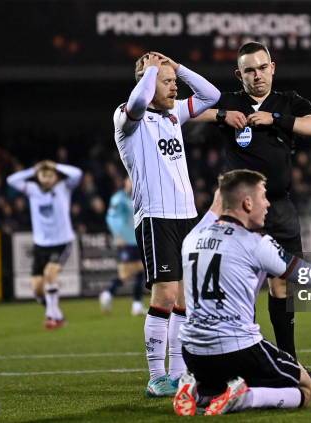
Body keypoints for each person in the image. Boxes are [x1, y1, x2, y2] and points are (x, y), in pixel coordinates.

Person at [174, 170, 311, 415]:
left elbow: (216, 208)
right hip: (238, 349)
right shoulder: (255, 243)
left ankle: (198, 391)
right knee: (306, 389)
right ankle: (244, 398)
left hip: (193, 354)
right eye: (263, 197)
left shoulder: (193, 237)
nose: (268, 204)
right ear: (247, 203)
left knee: (223, 379)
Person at [192, 41, 311, 381]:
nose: (257, 75)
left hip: (278, 207)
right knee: (241, 286)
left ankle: (290, 364)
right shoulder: (230, 102)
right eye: (249, 70)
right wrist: (222, 114)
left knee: (284, 285)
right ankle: (242, 364)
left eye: (262, 67)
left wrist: (276, 119)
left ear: (272, 68)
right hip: (239, 213)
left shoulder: (286, 102)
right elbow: (186, 112)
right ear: (240, 75)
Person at [113, 51, 220, 397]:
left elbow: (211, 96)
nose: (174, 87)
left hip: (186, 215)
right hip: (156, 216)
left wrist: (178, 66)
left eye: (174, 81)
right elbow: (140, 98)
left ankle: (177, 373)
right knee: (165, 295)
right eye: (166, 81)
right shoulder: (127, 118)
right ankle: (156, 376)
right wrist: (152, 69)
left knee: (185, 299)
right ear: (147, 80)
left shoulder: (174, 113)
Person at [7, 160, 83, 329]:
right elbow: (11, 180)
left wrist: (55, 165)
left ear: (56, 176)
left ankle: (51, 316)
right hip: (41, 244)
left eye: (50, 175)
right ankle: (57, 314)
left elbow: (77, 173)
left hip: (62, 242)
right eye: (43, 175)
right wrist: (32, 169)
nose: (47, 178)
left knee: (50, 273)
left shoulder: (63, 187)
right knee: (37, 290)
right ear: (38, 177)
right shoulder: (32, 190)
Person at [99, 176, 146, 316]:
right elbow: (111, 218)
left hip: (139, 240)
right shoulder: (118, 198)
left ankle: (136, 305)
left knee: (140, 272)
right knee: (127, 273)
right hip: (126, 241)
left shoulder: (140, 198)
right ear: (125, 182)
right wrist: (118, 235)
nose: (133, 183)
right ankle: (108, 293)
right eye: (130, 180)